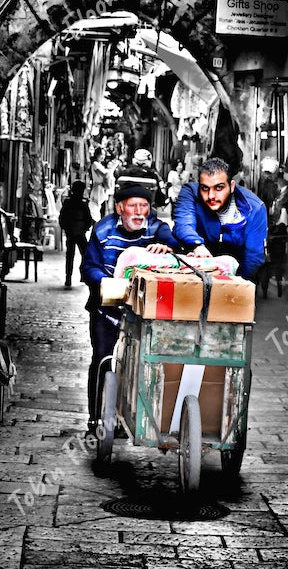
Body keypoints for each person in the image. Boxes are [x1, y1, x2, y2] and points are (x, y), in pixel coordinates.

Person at [81, 182, 178, 435]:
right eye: (132, 206)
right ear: (119, 208)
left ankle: (130, 416)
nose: (138, 212)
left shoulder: (158, 228)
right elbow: (88, 267)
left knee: (139, 362)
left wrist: (167, 248)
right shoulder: (102, 230)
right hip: (107, 309)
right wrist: (104, 281)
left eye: (144, 206)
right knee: (102, 358)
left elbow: (175, 246)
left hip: (144, 312)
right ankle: (95, 419)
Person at [173, 157, 268, 280]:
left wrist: (234, 286)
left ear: (232, 186)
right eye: (205, 188)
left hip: (236, 276)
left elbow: (253, 257)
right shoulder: (190, 193)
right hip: (194, 272)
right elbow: (183, 224)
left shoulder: (254, 208)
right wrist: (197, 245)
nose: (211, 196)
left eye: (219, 188)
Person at [59, 181, 94, 288]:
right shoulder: (82, 203)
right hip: (79, 232)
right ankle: (82, 275)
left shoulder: (68, 202)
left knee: (70, 256)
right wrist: (85, 228)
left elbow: (62, 218)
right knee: (85, 254)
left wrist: (66, 228)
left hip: (72, 232)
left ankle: (69, 277)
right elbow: (88, 219)